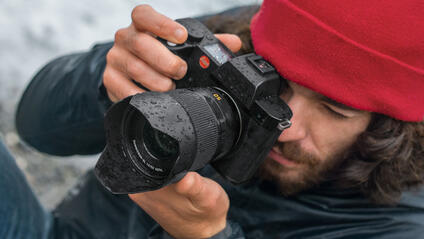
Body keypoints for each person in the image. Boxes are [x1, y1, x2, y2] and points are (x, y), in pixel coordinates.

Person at [12, 0, 424, 238]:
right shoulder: (240, 40)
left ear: (390, 130)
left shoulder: (399, 227)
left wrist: (205, 235)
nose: (286, 128)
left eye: (334, 110)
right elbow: (35, 127)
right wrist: (110, 78)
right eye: (275, 84)